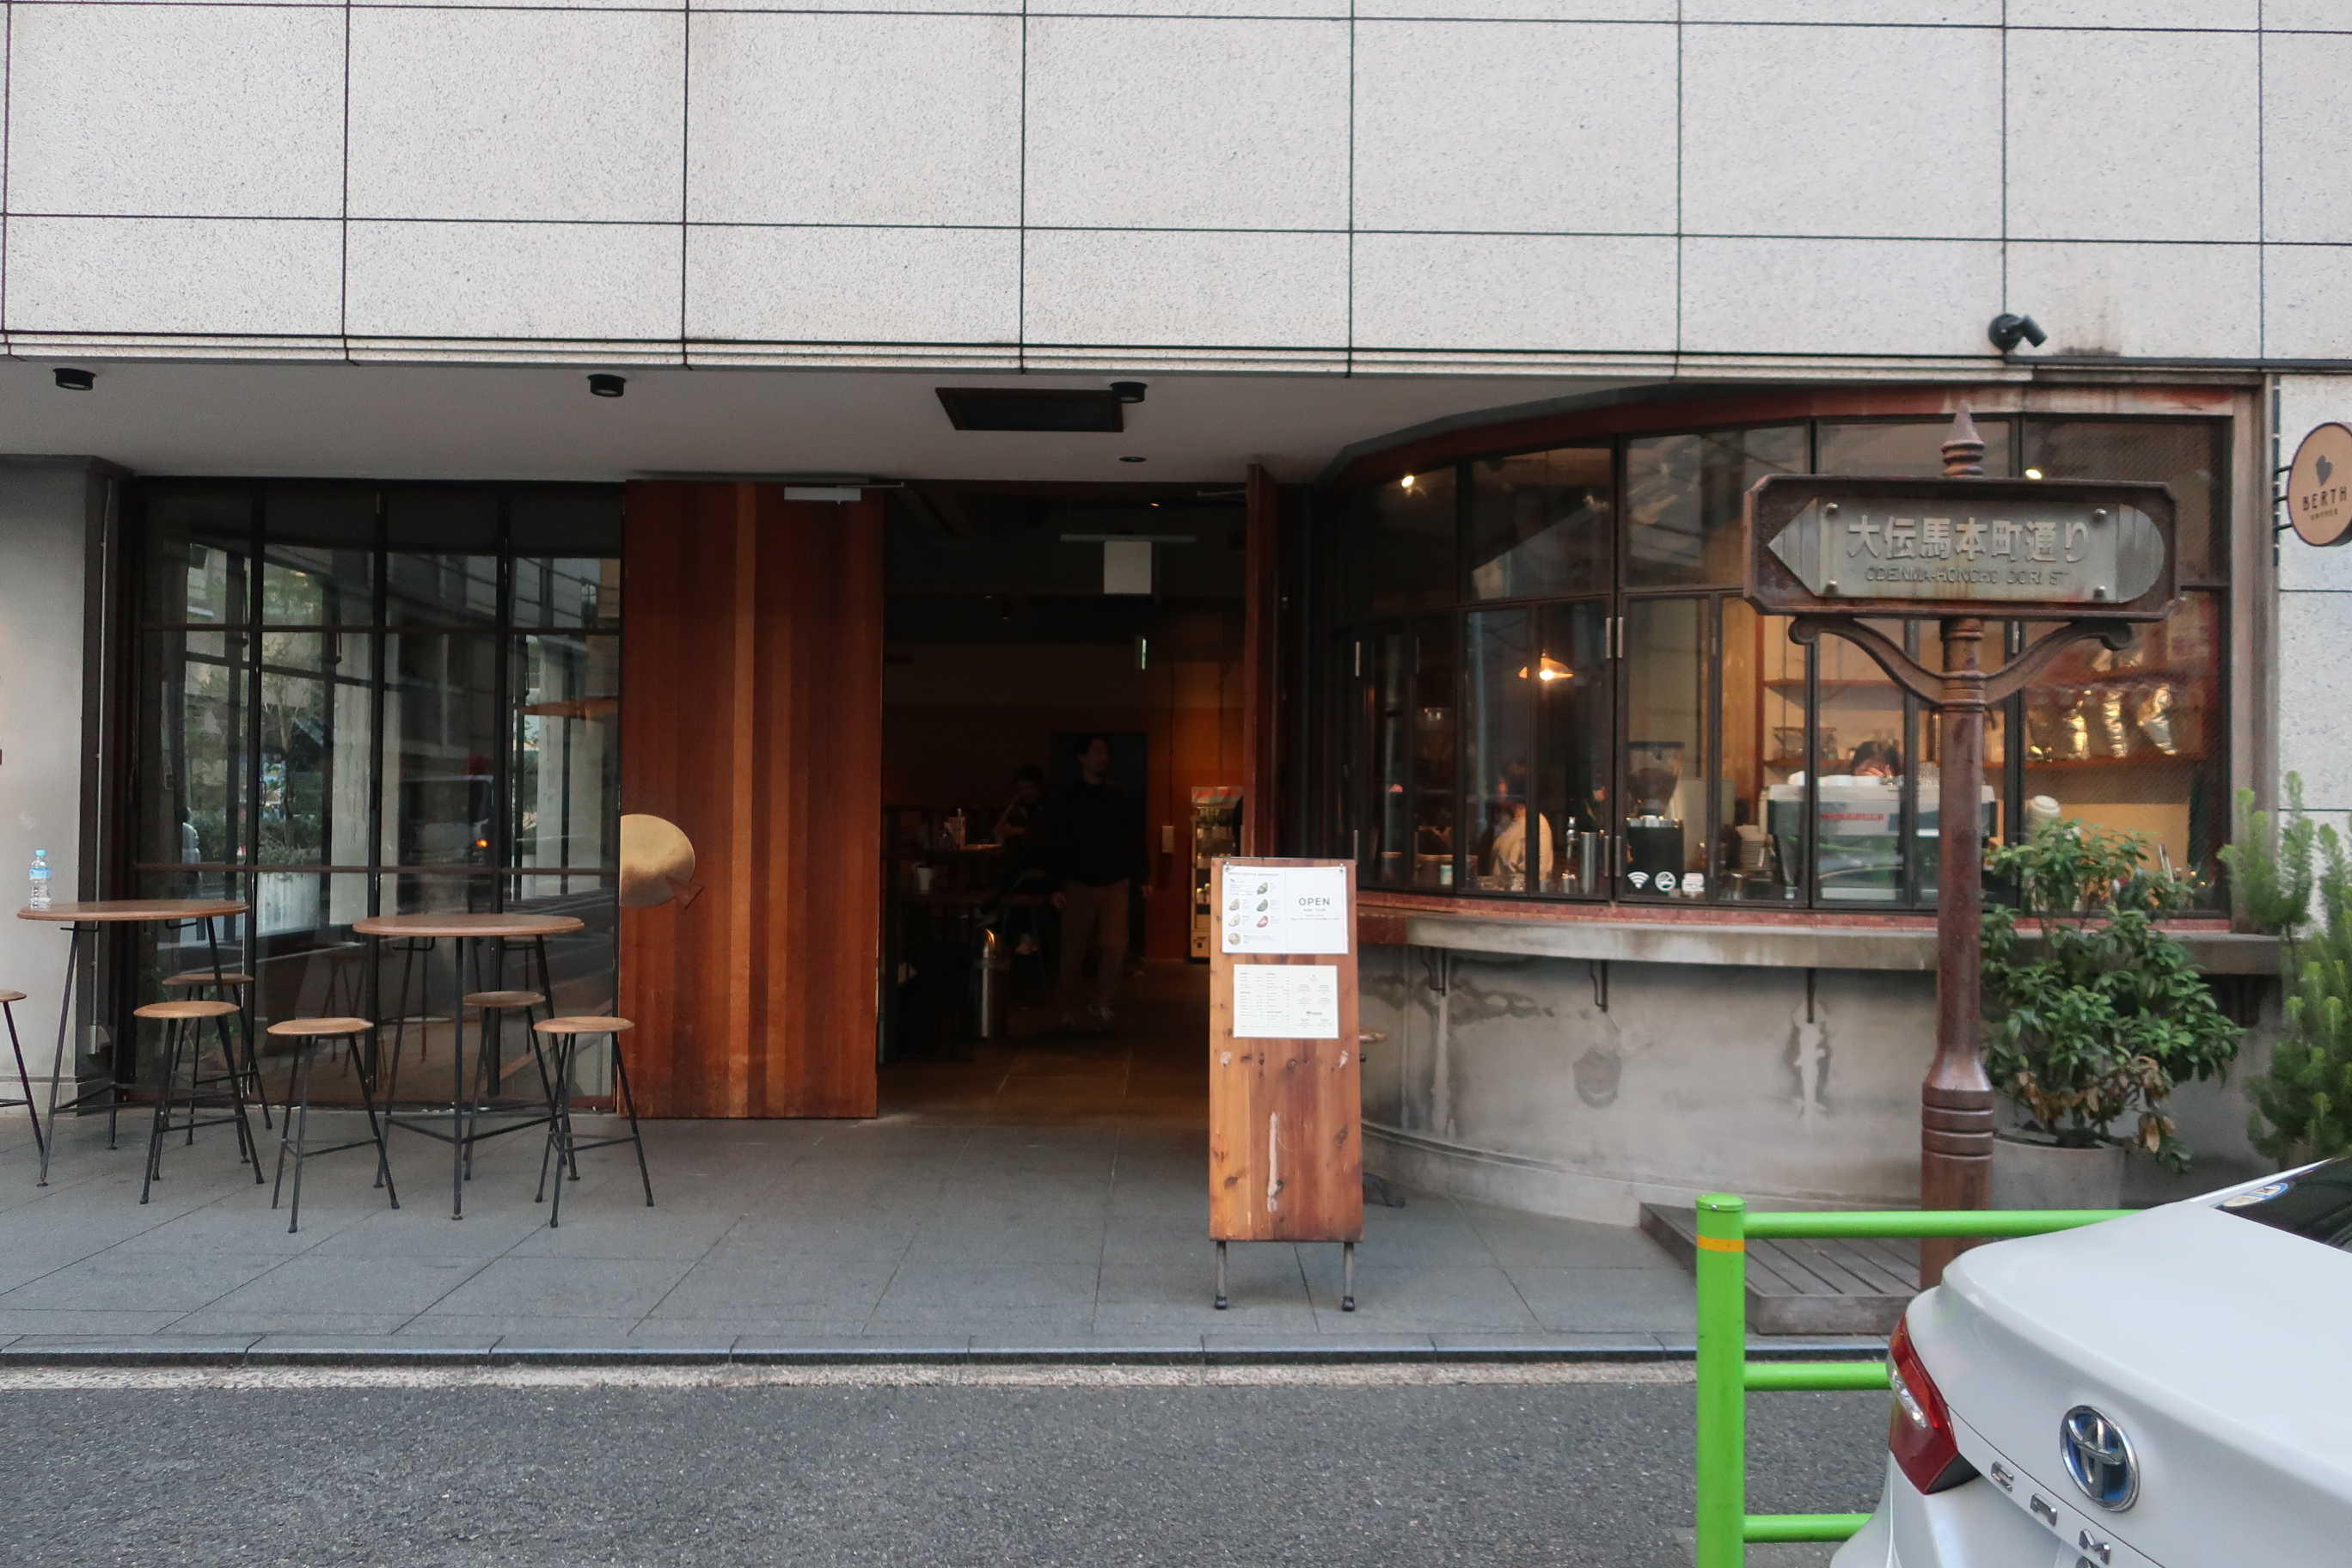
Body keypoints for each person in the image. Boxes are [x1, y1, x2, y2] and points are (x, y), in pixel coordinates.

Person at [1049, 735, 1152, 1034]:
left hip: (1115, 881)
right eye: (1097, 752)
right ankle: (1066, 1008)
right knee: (1073, 948)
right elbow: (1057, 842)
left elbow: (1134, 839)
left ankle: (1102, 1002)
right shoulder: (1069, 798)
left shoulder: (1119, 797)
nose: (1103, 757)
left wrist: (1142, 877)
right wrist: (1055, 884)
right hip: (1078, 881)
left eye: (1106, 752)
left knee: (1115, 945)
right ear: (1082, 757)